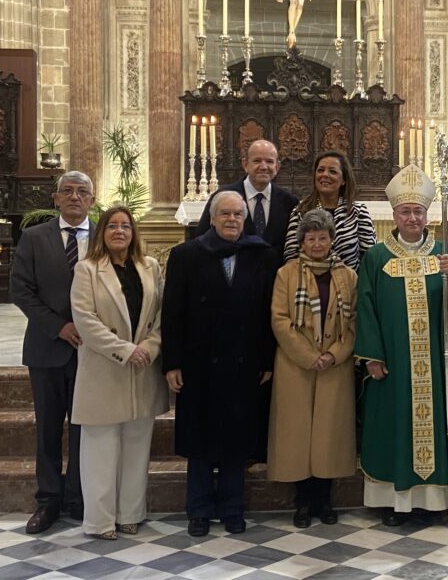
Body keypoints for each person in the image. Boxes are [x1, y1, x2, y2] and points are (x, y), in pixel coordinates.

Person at [355, 164, 448, 526]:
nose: (412, 217)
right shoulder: (377, 257)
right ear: (394, 214)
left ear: (427, 214)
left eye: (418, 211)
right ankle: (397, 503)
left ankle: (436, 499)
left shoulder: (447, 254)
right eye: (405, 211)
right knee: (394, 426)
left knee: (436, 426)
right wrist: (373, 356)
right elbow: (365, 306)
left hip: (436, 364)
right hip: (394, 364)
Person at [162, 191, 279, 537]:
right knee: (199, 441)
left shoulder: (261, 255)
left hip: (243, 363)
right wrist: (172, 363)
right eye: (225, 214)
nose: (232, 220)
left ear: (246, 219)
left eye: (238, 215)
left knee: (236, 439)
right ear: (211, 219)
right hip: (198, 363)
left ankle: (232, 508)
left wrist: (266, 358)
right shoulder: (185, 255)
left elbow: (266, 313)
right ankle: (198, 510)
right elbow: (172, 313)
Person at [70, 206, 168, 539]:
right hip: (105, 369)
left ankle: (130, 514)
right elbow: (85, 320)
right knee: (100, 449)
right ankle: (99, 521)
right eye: (112, 225)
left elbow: (160, 317)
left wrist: (150, 348)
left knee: (137, 447)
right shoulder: (87, 270)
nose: (119, 231)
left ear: (133, 232)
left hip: (142, 369)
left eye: (125, 226)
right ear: (102, 233)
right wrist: (126, 350)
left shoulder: (150, 267)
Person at [10, 171, 95, 534]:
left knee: (83, 428)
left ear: (92, 200)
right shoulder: (33, 238)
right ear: (56, 198)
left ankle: (77, 496)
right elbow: (21, 290)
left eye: (82, 192)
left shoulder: (107, 236)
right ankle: (48, 500)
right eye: (68, 191)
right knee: (47, 428)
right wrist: (58, 326)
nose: (75, 197)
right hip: (47, 348)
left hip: (93, 352)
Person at [268, 209, 358, 528]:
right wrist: (309, 356)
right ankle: (302, 502)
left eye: (323, 237)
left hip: (335, 365)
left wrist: (334, 354)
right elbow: (279, 319)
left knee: (329, 436)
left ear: (332, 240)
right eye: (311, 238)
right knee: (298, 435)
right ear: (301, 242)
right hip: (296, 364)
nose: (317, 244)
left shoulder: (347, 275)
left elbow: (354, 323)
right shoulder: (286, 273)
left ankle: (325, 500)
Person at [196, 139, 298, 260]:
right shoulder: (222, 197)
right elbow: (202, 238)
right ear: (245, 164)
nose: (264, 167)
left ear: (277, 167)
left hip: (276, 276)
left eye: (269, 161)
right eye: (257, 161)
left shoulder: (289, 202)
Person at [282, 150, 376, 270]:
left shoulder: (357, 212)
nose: (325, 175)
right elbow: (291, 254)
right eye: (320, 170)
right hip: (307, 284)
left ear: (343, 180)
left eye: (332, 171)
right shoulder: (300, 210)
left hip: (348, 285)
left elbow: (368, 258)